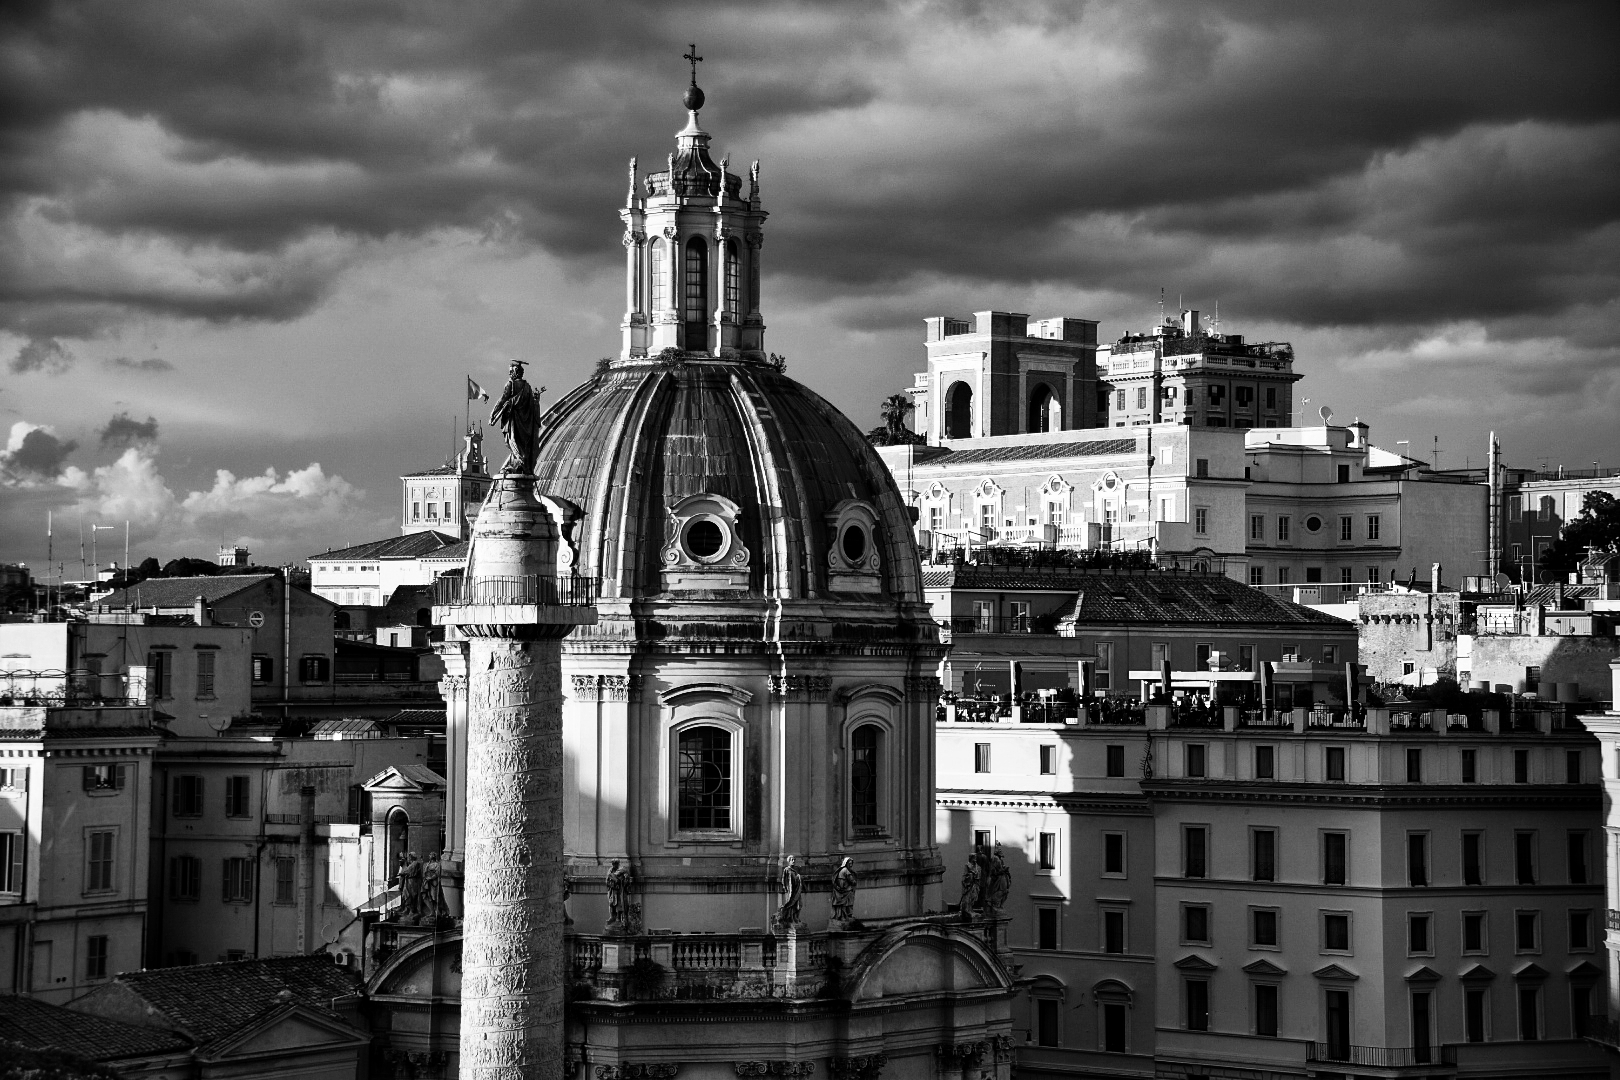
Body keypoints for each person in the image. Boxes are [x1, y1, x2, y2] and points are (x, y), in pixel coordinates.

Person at [488, 359, 544, 474]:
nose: (509, 374)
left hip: (513, 420)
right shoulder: (527, 387)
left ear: (515, 372)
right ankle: (519, 462)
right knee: (520, 443)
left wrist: (493, 413)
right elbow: (531, 405)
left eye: (511, 371)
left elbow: (502, 399)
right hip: (525, 423)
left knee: (512, 441)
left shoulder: (511, 384)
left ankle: (520, 462)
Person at [776, 855, 803, 929]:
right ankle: (790, 918)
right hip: (790, 892)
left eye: (794, 859)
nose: (793, 861)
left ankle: (795, 917)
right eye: (792, 860)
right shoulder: (787, 869)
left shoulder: (795, 871)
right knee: (790, 904)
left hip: (796, 891)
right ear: (789, 861)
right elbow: (784, 880)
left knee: (799, 905)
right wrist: (786, 889)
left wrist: (798, 878)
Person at [830, 856, 857, 923]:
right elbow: (852, 880)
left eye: (851, 863)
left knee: (844, 904)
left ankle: (843, 916)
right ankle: (847, 915)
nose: (851, 865)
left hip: (842, 890)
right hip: (846, 890)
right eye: (849, 863)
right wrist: (854, 881)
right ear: (846, 863)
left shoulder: (842, 870)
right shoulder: (845, 870)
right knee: (848, 903)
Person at [606, 859, 630, 925]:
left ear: (618, 864)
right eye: (613, 864)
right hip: (613, 891)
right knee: (612, 903)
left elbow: (624, 878)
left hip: (620, 891)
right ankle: (612, 917)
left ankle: (619, 918)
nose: (614, 865)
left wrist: (622, 880)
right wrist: (614, 881)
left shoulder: (622, 869)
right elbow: (609, 878)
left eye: (616, 863)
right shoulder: (610, 870)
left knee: (620, 904)